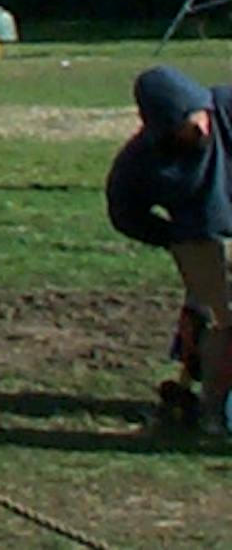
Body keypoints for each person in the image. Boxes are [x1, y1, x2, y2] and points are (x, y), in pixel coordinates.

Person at [106, 65, 229, 435]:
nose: (201, 129)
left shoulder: (226, 108)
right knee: (221, 322)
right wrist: (174, 238)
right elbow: (124, 212)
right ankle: (213, 412)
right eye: (189, 127)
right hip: (202, 245)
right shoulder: (143, 160)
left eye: (200, 118)